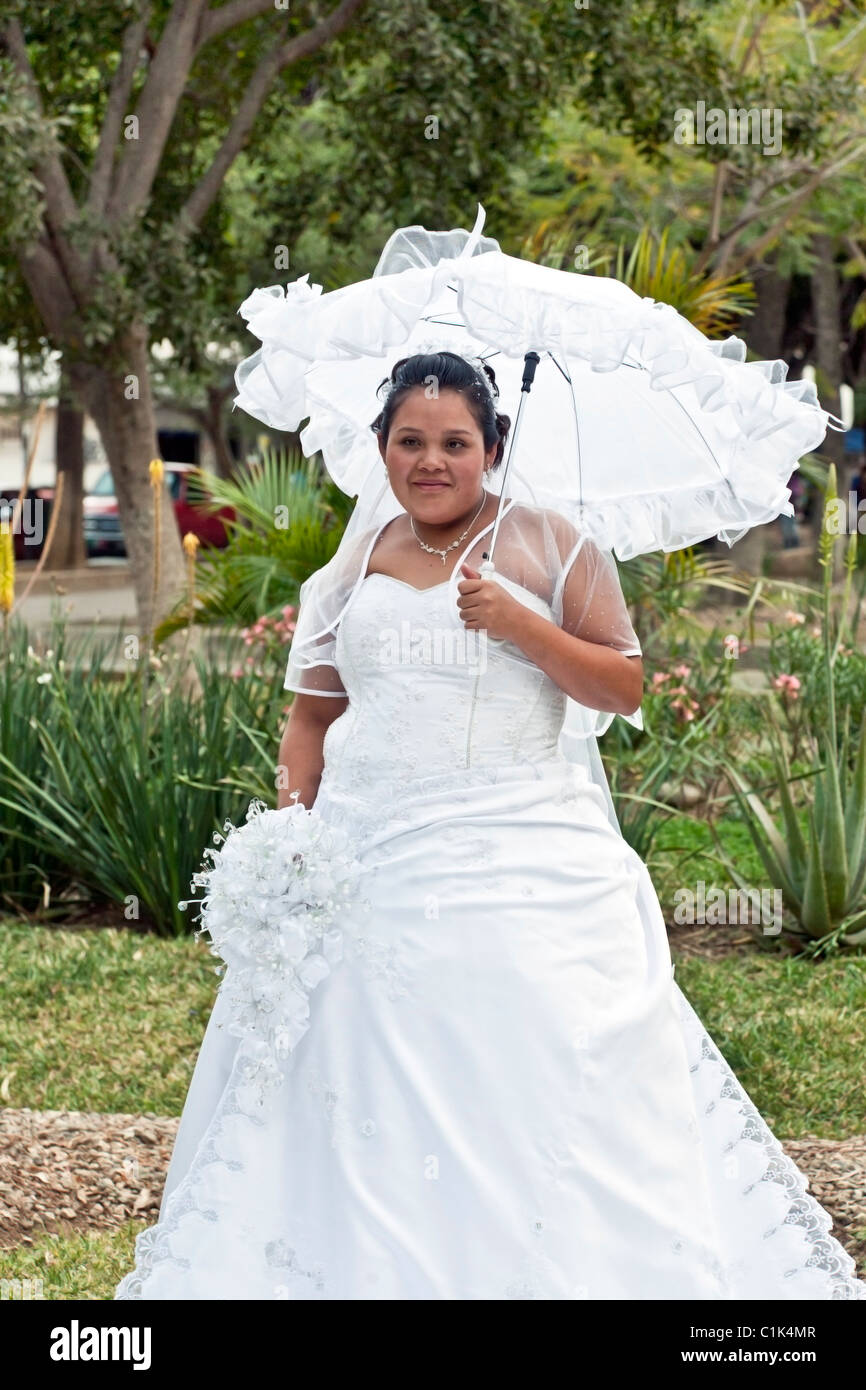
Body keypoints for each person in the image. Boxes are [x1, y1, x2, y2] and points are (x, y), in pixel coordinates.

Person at [114, 353, 866, 1301]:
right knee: (347, 1088)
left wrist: (520, 624)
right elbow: (311, 718)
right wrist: (291, 835)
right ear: (382, 449)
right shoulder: (361, 560)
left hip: (525, 858)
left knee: (524, 1082)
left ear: (493, 449)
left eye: (455, 443)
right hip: (364, 861)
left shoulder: (556, 546)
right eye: (410, 442)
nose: (432, 461)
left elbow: (623, 687)